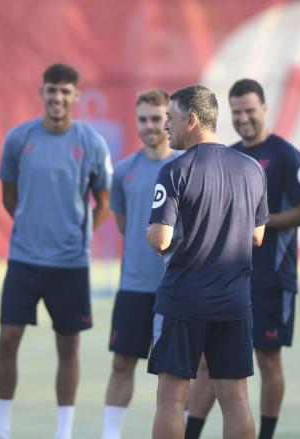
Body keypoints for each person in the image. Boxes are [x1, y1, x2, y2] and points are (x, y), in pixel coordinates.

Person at [184, 79, 300, 439]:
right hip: (228, 277)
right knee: (209, 360)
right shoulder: (229, 155)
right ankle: (190, 432)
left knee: (268, 359)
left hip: (271, 275)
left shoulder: (287, 155)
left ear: (264, 108)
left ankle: (266, 434)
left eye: (249, 111)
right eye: (237, 112)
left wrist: (257, 222)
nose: (243, 118)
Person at [0, 63, 112, 439]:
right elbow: (9, 195)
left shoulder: (92, 142)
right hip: (25, 259)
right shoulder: (18, 138)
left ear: (76, 96)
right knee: (8, 337)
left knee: (68, 344)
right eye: (52, 90)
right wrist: (30, 224)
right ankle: (2, 428)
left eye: (65, 92)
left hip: (70, 264)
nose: (58, 98)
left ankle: (64, 431)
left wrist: (78, 237)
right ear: (41, 93)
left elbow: (103, 203)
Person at [147, 85, 268, 439]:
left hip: (183, 300)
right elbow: (257, 236)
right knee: (235, 399)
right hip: (233, 301)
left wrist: (151, 232)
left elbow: (160, 240)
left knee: (171, 400)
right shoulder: (251, 169)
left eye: (170, 118)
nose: (164, 126)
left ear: (192, 120)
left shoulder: (175, 170)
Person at [100, 89, 177, 439]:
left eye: (157, 119)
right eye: (143, 119)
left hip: (174, 288)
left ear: (170, 119)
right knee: (122, 364)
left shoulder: (182, 166)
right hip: (132, 286)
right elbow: (123, 221)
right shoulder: (124, 171)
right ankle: (111, 434)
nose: (150, 126)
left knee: (174, 372)